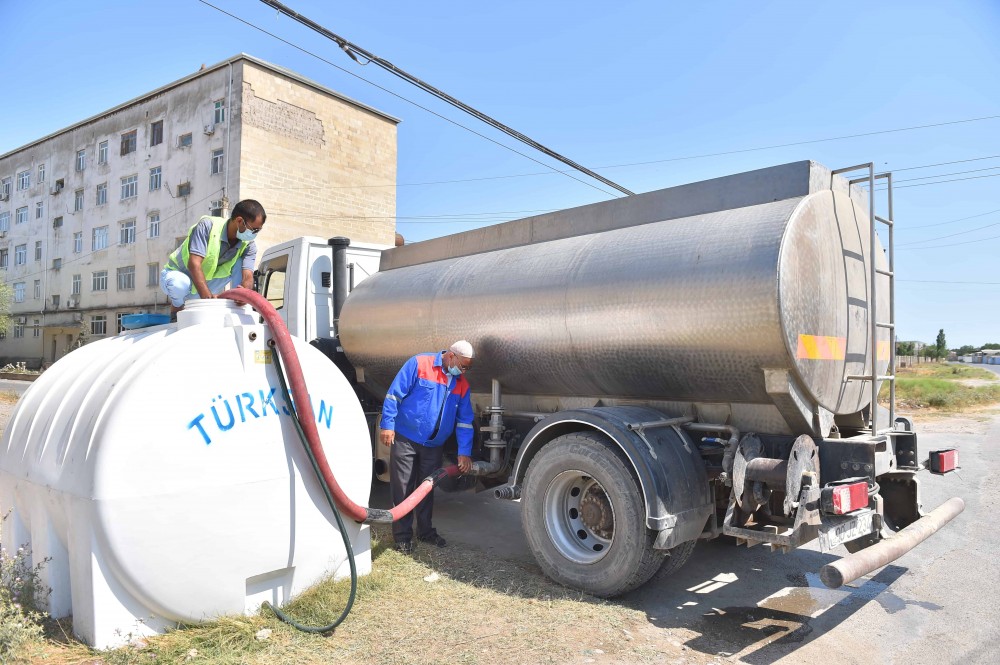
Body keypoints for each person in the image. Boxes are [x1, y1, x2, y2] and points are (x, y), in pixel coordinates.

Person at [380, 340, 476, 553]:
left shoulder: (461, 384)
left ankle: (425, 532)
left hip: (434, 445)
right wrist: (387, 424)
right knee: (403, 488)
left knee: (427, 489)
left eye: (468, 367)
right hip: (406, 438)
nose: (464, 371)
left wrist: (464, 452)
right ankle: (402, 537)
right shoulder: (419, 363)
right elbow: (394, 394)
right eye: (463, 366)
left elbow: (464, 422)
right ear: (451, 356)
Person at [160, 199, 266, 313]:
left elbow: (248, 276)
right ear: (239, 221)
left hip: (206, 286)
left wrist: (244, 293)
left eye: (258, 230)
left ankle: (237, 309)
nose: (255, 234)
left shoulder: (249, 246)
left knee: (240, 262)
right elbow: (194, 264)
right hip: (180, 279)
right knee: (179, 285)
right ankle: (176, 307)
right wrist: (208, 302)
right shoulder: (207, 226)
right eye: (254, 230)